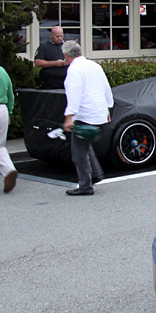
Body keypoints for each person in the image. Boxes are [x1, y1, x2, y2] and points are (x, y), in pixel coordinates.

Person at [62, 40, 113, 196]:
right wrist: (108, 108)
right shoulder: (94, 66)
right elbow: (106, 88)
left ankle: (85, 185)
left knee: (79, 152)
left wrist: (69, 117)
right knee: (85, 146)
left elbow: (74, 95)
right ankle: (94, 176)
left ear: (66, 55)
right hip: (99, 113)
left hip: (85, 114)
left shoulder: (74, 70)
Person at [34, 25, 69, 90]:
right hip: (50, 80)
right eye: (57, 36)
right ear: (51, 35)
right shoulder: (44, 47)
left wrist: (68, 62)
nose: (59, 38)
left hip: (65, 79)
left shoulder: (68, 46)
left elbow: (76, 58)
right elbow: (37, 62)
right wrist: (55, 63)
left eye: (61, 36)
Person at [0, 64, 17, 194]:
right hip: (2, 109)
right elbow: (10, 93)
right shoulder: (2, 70)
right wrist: (10, 112)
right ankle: (9, 169)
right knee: (0, 146)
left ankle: (7, 170)